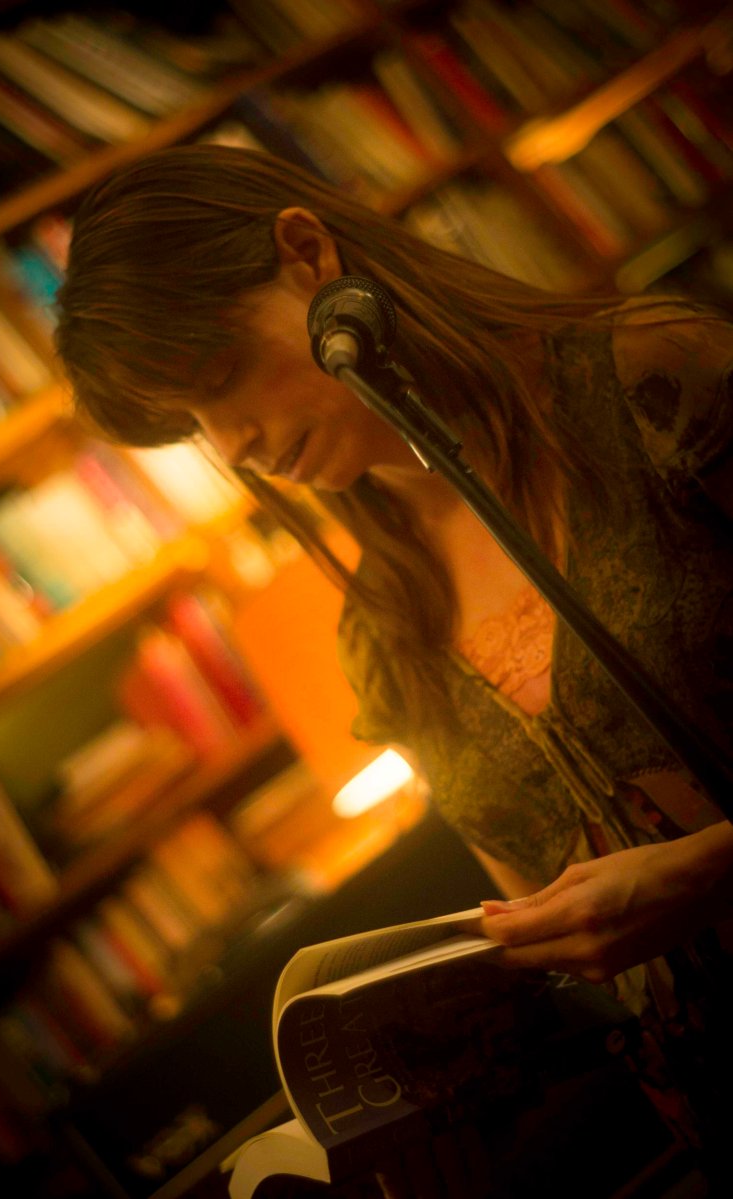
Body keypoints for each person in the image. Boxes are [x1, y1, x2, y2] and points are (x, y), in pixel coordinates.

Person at [55, 144, 733, 1190]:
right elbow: (562, 966)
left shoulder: (652, 378)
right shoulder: (382, 635)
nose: (230, 447)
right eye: (190, 425)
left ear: (306, 254)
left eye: (218, 380)